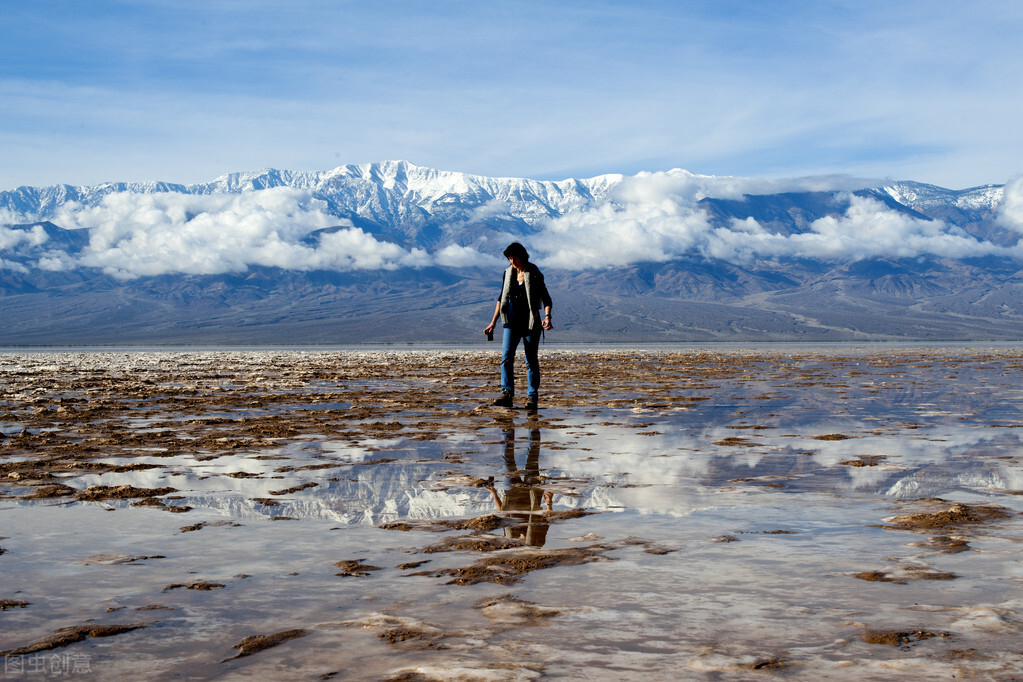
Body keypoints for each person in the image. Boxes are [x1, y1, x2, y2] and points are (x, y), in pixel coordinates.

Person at [483, 242, 553, 410]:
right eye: (509, 258)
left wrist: (547, 317)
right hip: (511, 322)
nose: (512, 262)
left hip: (531, 323)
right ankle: (506, 394)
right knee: (506, 358)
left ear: (522, 256)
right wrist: (493, 322)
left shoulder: (534, 273)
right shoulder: (507, 274)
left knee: (531, 361)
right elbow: (501, 298)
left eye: (514, 258)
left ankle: (532, 397)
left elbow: (546, 298)